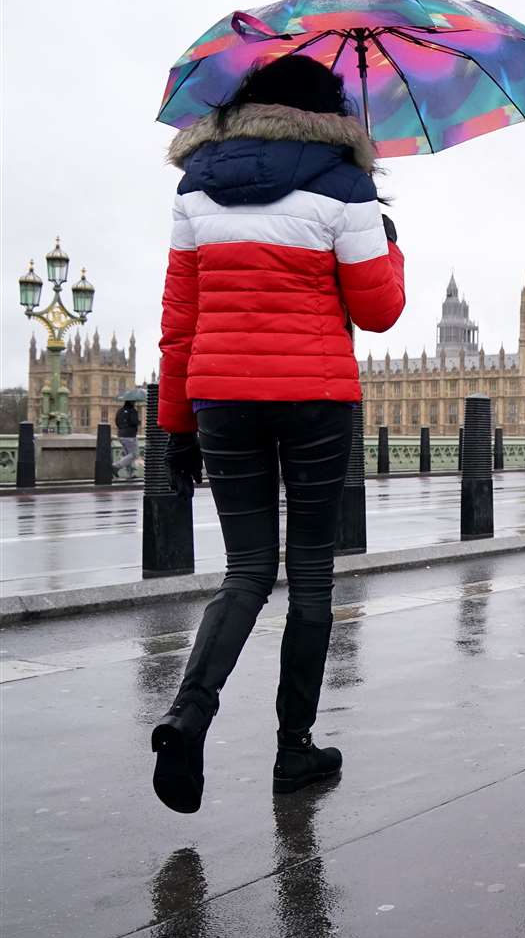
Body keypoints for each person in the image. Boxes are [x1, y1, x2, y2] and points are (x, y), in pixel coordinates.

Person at [150, 55, 406, 813]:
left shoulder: (194, 184)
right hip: (313, 393)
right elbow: (380, 310)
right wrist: (385, 241)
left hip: (220, 396)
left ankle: (188, 711)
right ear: (328, 111)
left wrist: (176, 426)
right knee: (313, 578)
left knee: (247, 572)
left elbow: (178, 321)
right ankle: (293, 750)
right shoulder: (344, 181)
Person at [114, 398, 141, 480]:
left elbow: (117, 422)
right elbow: (134, 422)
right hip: (130, 435)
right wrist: (138, 422)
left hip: (121, 435)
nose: (135, 402)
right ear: (131, 402)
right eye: (134, 401)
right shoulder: (132, 410)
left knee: (128, 455)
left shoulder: (120, 411)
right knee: (134, 454)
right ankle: (116, 466)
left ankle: (130, 474)